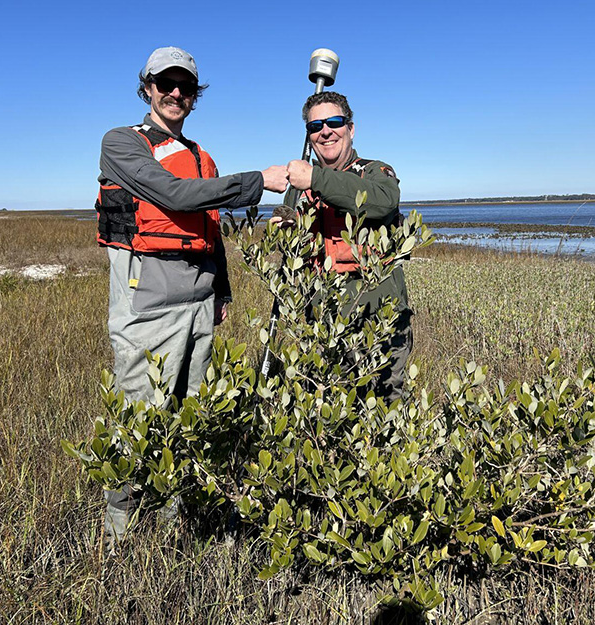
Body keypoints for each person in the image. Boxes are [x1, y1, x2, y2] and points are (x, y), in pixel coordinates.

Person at [95, 46, 288, 543]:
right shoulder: (122, 143)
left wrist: (221, 289)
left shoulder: (202, 156)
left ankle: (173, 525)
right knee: (140, 421)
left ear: (195, 96)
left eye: (185, 86)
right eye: (166, 83)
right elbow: (173, 196)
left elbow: (210, 227)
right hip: (147, 308)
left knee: (190, 419)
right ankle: (117, 538)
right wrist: (258, 182)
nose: (175, 92)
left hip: (201, 304)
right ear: (148, 88)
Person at [283, 91, 410, 399]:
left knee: (384, 408)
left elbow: (383, 202)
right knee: (324, 408)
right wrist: (282, 225)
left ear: (350, 129)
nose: (325, 131)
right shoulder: (300, 185)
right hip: (320, 324)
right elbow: (288, 244)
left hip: (377, 323)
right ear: (310, 136)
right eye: (315, 126)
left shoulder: (375, 172)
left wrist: (315, 177)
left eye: (334, 122)